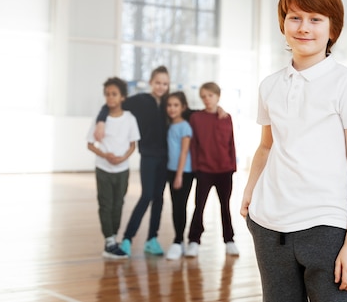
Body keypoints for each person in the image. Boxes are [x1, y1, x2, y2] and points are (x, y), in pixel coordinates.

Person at [240, 0, 347, 301]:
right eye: (295, 17)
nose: (304, 27)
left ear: (333, 28)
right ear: (283, 23)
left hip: (326, 226)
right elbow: (266, 145)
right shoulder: (270, 86)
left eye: (316, 19)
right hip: (269, 227)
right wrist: (249, 191)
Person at [93, 65, 172, 256]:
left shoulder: (170, 102)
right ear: (151, 82)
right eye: (158, 82)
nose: (161, 87)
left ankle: (152, 239)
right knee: (146, 196)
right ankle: (128, 238)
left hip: (165, 158)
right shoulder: (140, 101)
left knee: (159, 199)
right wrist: (101, 120)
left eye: (165, 84)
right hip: (148, 156)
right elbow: (112, 104)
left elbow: (188, 112)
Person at [87, 77, 141, 259]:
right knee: (105, 204)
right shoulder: (100, 119)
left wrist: (122, 158)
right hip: (103, 169)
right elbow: (90, 144)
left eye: (114, 94)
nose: (110, 98)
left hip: (122, 171)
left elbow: (133, 145)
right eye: (107, 94)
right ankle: (109, 241)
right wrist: (106, 156)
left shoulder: (130, 119)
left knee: (118, 204)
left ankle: (113, 239)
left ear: (123, 97)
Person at [185, 82, 239, 258]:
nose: (207, 99)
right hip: (204, 170)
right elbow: (193, 146)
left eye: (210, 95)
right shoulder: (196, 118)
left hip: (225, 170)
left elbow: (231, 143)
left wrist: (232, 167)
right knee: (199, 206)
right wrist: (195, 168)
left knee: (225, 207)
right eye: (203, 96)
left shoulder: (226, 117)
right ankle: (194, 240)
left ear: (217, 96)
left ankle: (229, 240)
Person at [164, 91, 195, 260]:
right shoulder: (169, 125)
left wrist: (179, 175)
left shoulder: (185, 127)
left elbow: (184, 152)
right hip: (171, 171)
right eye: (169, 105)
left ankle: (178, 241)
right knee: (175, 206)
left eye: (176, 105)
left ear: (183, 107)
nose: (172, 108)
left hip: (183, 173)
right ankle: (179, 241)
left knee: (179, 207)